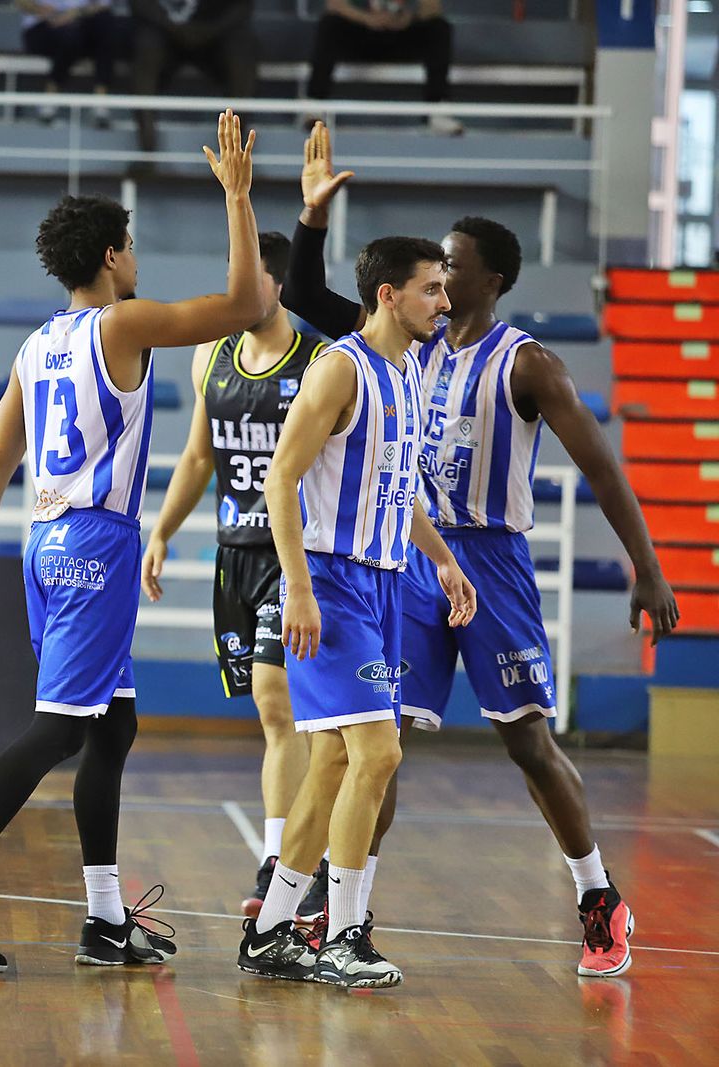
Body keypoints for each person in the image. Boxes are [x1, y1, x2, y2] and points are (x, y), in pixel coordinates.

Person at [278, 122, 681, 977]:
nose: (441, 274)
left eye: (453, 264)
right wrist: (313, 217)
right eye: (434, 270)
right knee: (376, 743)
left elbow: (604, 470)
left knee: (527, 742)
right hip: (406, 556)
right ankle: (343, 916)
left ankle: (598, 895)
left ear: (487, 280)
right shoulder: (401, 342)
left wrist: (646, 567)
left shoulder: (527, 364)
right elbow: (305, 290)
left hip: (488, 562)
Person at [0, 111, 263, 973]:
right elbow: (249, 305)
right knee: (63, 729)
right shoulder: (122, 325)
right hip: (97, 544)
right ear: (110, 257)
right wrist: (238, 199)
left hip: (41, 545)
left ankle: (104, 920)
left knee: (114, 726)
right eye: (130, 244)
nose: (136, 256)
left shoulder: (36, 345)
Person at [235, 234, 476, 989]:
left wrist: (442, 557)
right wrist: (299, 586)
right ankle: (342, 937)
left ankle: (271, 929)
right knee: (378, 754)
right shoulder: (339, 369)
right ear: (388, 295)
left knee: (337, 760)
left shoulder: (406, 372)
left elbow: (395, 495)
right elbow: (280, 482)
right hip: (330, 585)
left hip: (383, 584)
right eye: (432, 288)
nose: (444, 300)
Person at [141, 231, 329, 918]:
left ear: (276, 284)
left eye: (251, 280)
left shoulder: (318, 361)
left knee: (279, 702)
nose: (239, 292)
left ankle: (286, 860)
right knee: (269, 713)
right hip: (234, 555)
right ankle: (298, 854)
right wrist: (161, 530)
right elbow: (198, 456)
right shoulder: (210, 355)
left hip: (297, 552)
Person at [304, 0, 460, 135]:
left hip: (401, 35)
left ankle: (437, 111)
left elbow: (432, 9)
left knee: (439, 27)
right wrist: (368, 19)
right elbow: (334, 5)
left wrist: (407, 18)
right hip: (361, 33)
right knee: (329, 24)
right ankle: (315, 105)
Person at [129, 0, 258, 160]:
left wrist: (208, 31)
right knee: (145, 45)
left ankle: (235, 154)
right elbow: (139, 5)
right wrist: (174, 28)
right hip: (163, 31)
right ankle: (147, 149)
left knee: (242, 48)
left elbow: (243, 6)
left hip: (215, 31)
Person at [16, 0, 127, 126]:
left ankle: (100, 101)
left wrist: (74, 14)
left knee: (105, 24)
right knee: (70, 36)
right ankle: (49, 98)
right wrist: (42, 11)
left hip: (80, 24)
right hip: (42, 26)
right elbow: (21, 2)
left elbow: (102, 5)